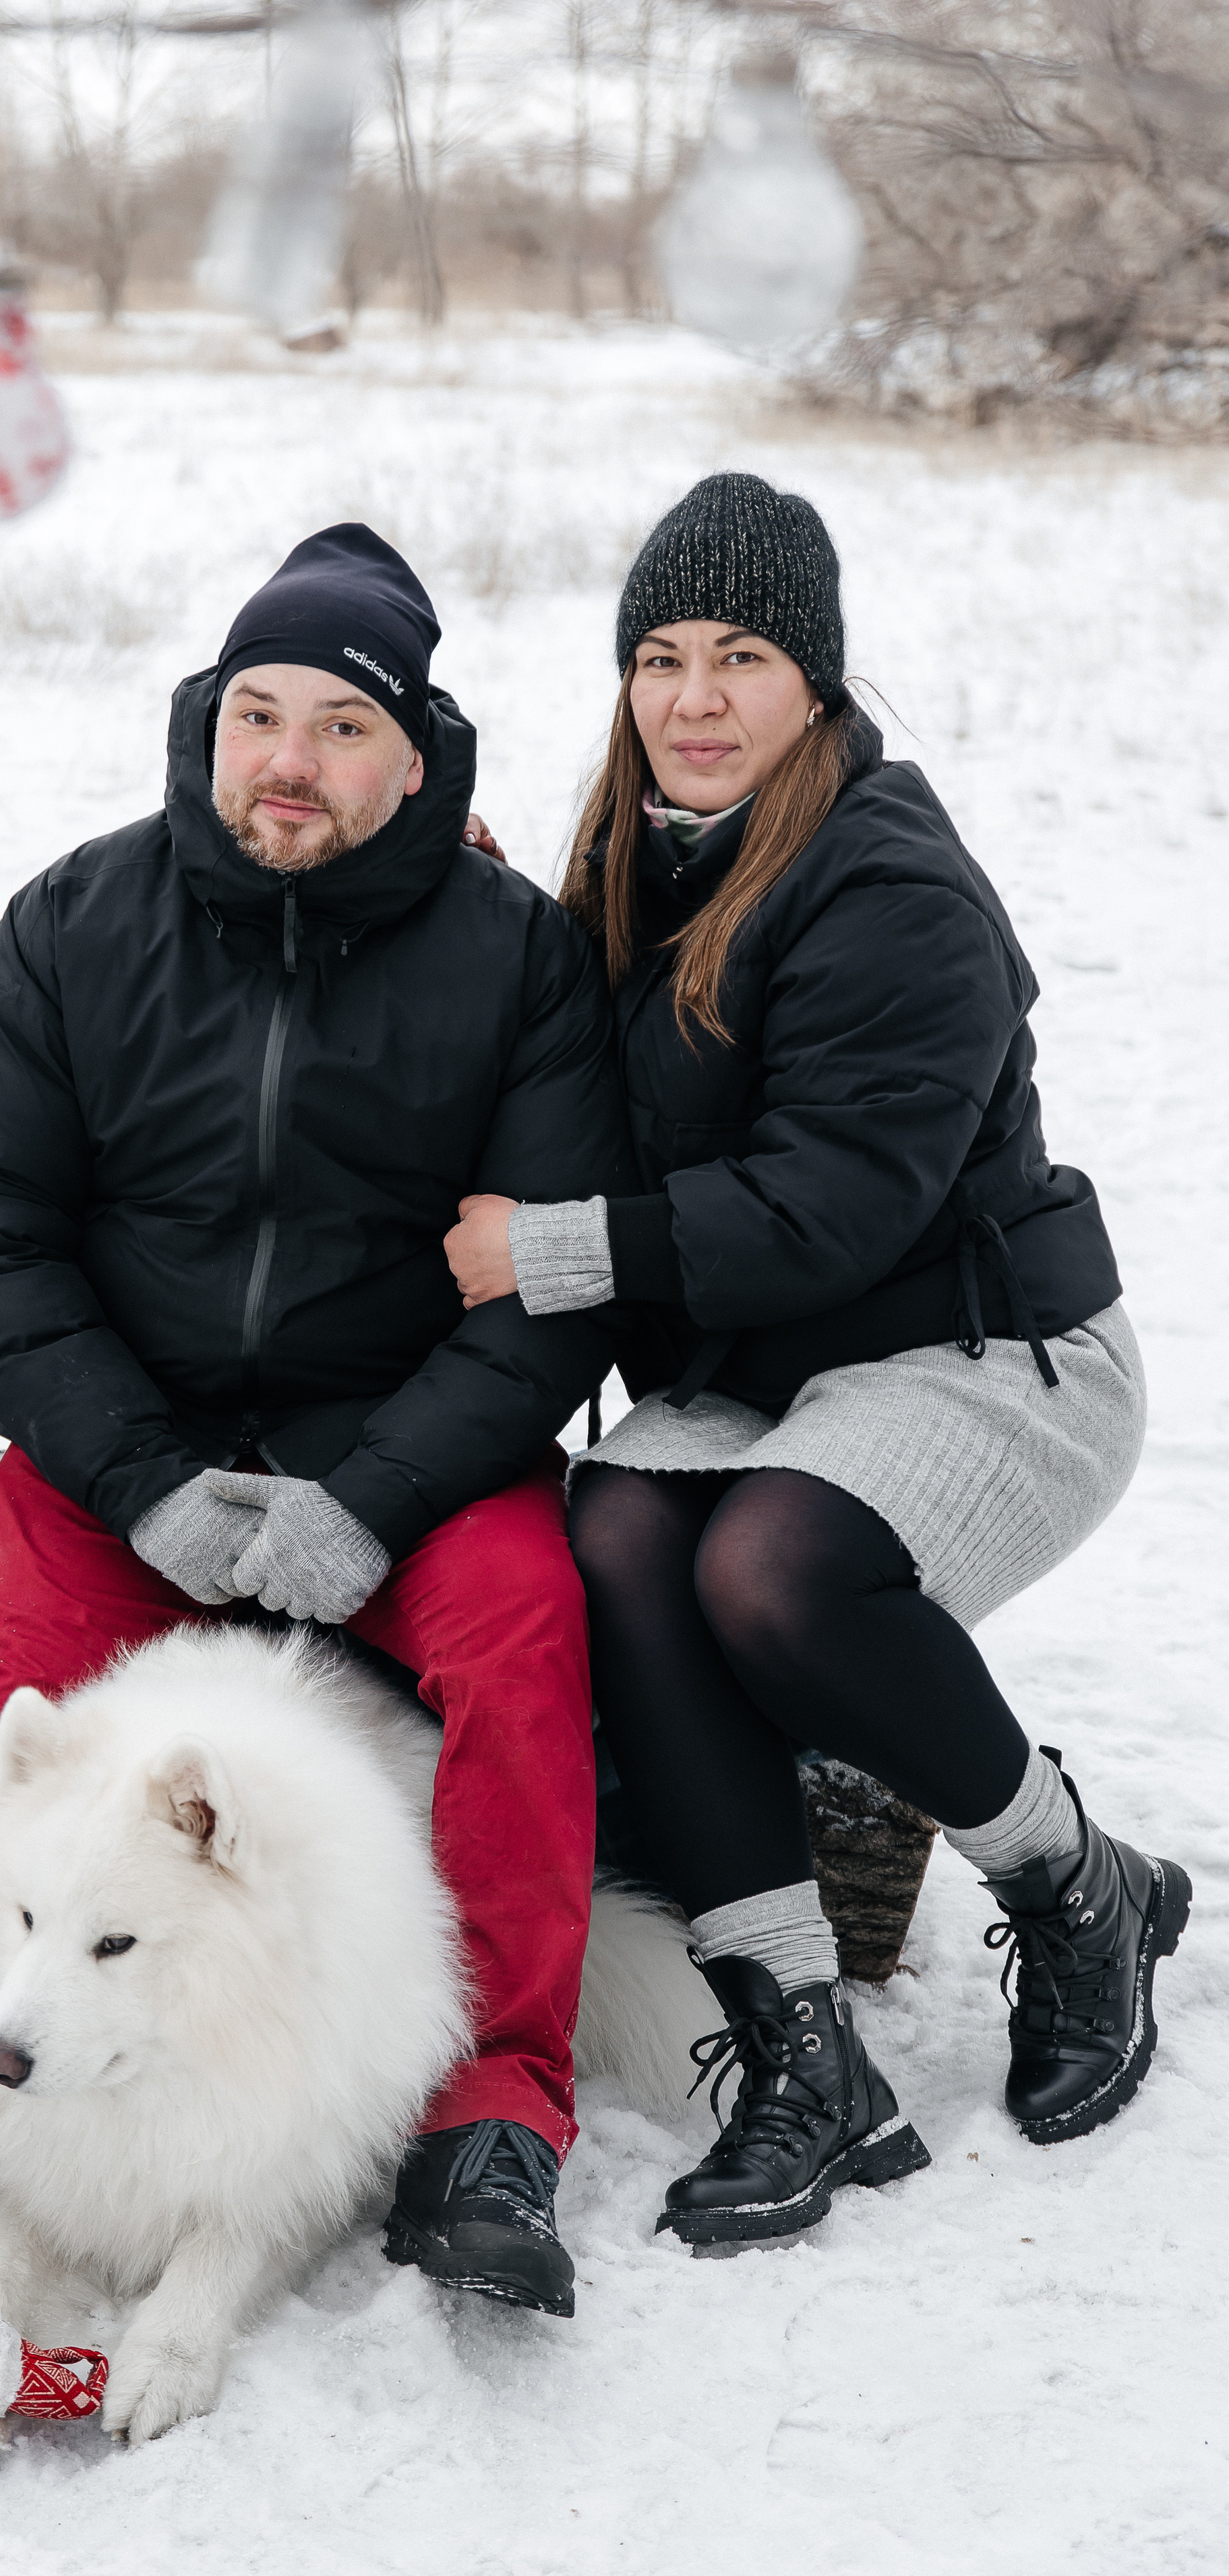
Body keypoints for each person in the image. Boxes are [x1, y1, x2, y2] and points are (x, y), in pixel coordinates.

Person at [0, 523, 629, 2318]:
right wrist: (137, 1480)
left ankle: (491, 2113)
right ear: (209, 724)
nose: (289, 759)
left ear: (418, 754)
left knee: (525, 1646)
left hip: (416, 1462)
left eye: (342, 727)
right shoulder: (78, 921)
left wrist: (372, 1494)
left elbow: (547, 1288)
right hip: (121, 1450)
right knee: (21, 1748)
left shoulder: (517, 959)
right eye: (259, 713)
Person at [444, 472, 1189, 2250]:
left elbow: (836, 1206)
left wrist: (552, 1252)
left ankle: (1080, 1890)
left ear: (821, 687)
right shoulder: (638, 869)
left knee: (770, 1568)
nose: (694, 697)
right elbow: (610, 1087)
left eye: (745, 655)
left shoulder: (895, 889)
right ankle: (799, 2043)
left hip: (993, 1350)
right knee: (622, 1526)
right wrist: (499, 939)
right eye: (661, 657)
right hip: (784, 1370)